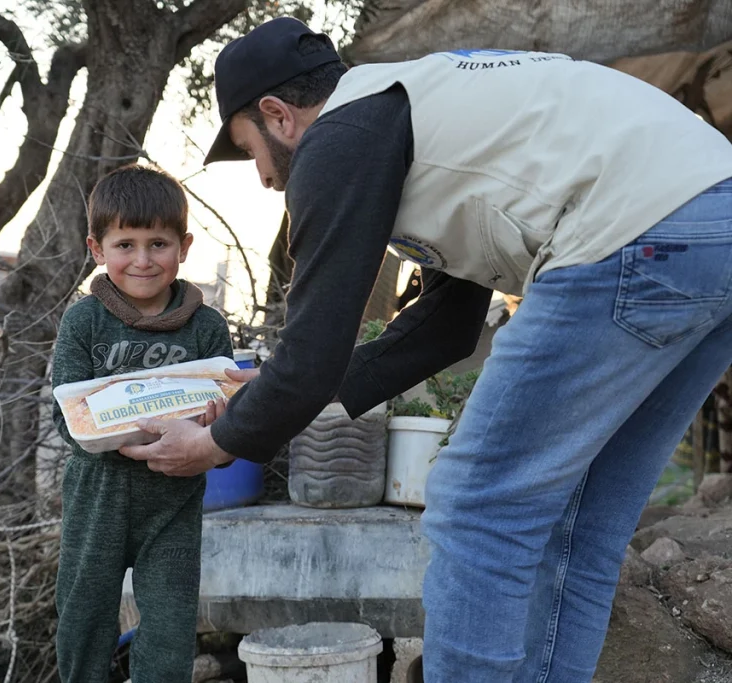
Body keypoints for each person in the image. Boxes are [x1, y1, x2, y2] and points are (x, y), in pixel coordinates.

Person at [118, 16, 732, 683]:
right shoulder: (414, 117)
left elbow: (313, 349)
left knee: (475, 502)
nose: (265, 179)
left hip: (634, 226)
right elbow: (445, 324)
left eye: (252, 151)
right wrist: (276, 387)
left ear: (277, 115)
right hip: (709, 220)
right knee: (575, 525)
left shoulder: (340, 139)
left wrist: (214, 445)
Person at [51, 164, 234, 683]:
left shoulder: (206, 326)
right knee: (84, 618)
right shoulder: (83, 321)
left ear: (184, 245)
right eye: (125, 244)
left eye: (158, 243)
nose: (142, 259)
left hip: (173, 502)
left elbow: (226, 415)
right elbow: (66, 415)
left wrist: (217, 431)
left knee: (171, 625)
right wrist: (119, 437)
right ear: (96, 248)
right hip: (98, 499)